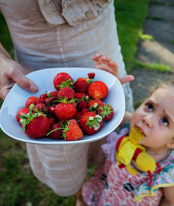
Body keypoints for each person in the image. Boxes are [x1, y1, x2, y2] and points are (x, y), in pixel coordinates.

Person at [0, 0, 134, 197]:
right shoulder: (42, 110)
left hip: (103, 62)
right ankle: (82, 195)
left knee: (111, 141)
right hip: (36, 76)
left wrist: (107, 83)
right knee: (63, 160)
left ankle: (107, 183)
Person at [78, 80, 174, 206]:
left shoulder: (167, 172)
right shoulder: (128, 125)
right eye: (150, 106)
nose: (147, 119)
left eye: (164, 121)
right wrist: (113, 82)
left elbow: (172, 202)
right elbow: (111, 110)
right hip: (105, 188)